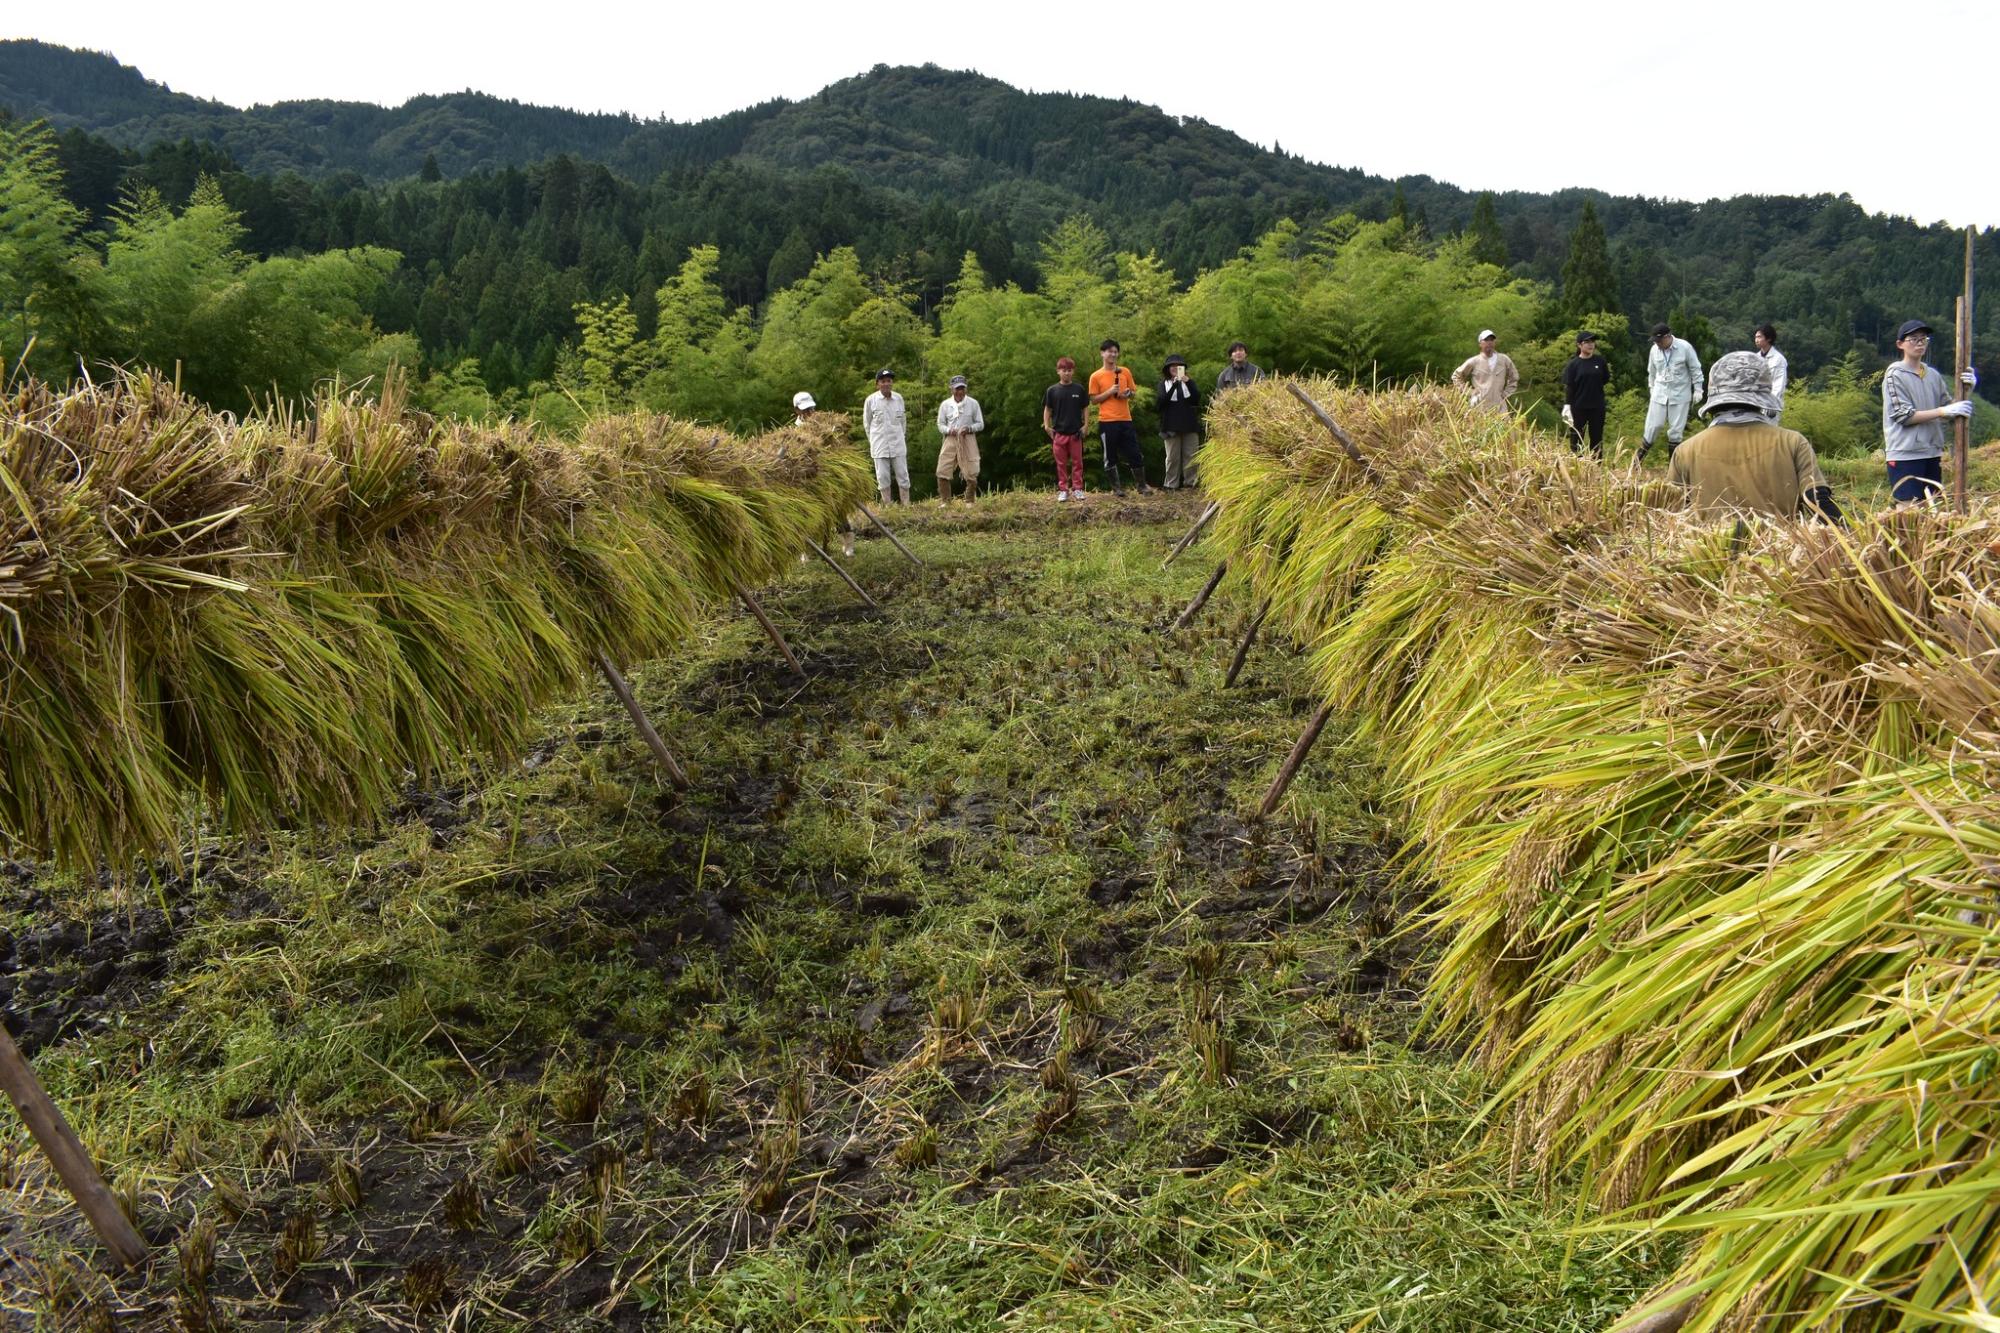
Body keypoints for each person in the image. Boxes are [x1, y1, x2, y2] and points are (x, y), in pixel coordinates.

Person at [1669, 351, 1838, 521]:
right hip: (1781, 546)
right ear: (1763, 397)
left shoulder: (1685, 451)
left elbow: (1670, 516)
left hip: (1706, 547)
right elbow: (1818, 501)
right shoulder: (1792, 442)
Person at [1881, 318, 1978, 503]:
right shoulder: (1894, 374)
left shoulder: (1932, 374)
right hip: (1905, 453)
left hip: (1932, 452)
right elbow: (1904, 416)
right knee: (1909, 511)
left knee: (1933, 508)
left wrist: (1968, 389)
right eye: (1914, 339)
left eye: (1924, 339)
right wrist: (1943, 411)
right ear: (1900, 344)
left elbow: (1951, 409)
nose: (1920, 343)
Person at [1089, 339, 1152, 495]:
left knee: (1134, 452)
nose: (1113, 354)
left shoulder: (1125, 371)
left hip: (1125, 419)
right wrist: (1110, 392)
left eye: (1115, 351)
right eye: (1110, 351)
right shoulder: (1096, 376)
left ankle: (1142, 485)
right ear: (1102, 353)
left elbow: (1133, 392)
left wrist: (1127, 394)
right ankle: (1117, 488)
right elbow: (1093, 400)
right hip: (1107, 421)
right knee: (1109, 455)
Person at [1640, 323, 1704, 461]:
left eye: (1659, 340)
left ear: (1668, 336)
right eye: (1655, 341)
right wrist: (1651, 387)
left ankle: (1672, 468)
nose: (1657, 344)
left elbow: (1695, 369)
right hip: (1659, 393)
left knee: (1676, 431)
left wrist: (1698, 388)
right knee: (1653, 426)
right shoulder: (1654, 350)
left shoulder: (1685, 347)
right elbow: (1651, 371)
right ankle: (1637, 462)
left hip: (1680, 394)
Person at [861, 369, 911, 506]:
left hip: (898, 443)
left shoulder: (899, 398)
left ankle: (906, 504)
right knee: (882, 477)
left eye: (889, 381)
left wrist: (901, 437)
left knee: (903, 475)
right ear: (877, 384)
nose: (886, 384)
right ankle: (888, 505)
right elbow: (867, 423)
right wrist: (873, 441)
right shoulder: (871, 400)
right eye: (883, 381)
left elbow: (903, 422)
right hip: (879, 444)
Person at [1042, 355, 1088, 501]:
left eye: (1069, 370)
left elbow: (1086, 407)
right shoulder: (1052, 390)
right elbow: (1047, 409)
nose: (1066, 373)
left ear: (1073, 372)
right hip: (1059, 433)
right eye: (1064, 370)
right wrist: (1047, 426)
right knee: (1061, 464)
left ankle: (1078, 489)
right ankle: (1063, 489)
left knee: (1077, 462)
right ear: (1058, 371)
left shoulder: (1079, 389)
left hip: (1075, 433)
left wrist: (1086, 425)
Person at [1559, 331, 1612, 456]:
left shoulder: (1600, 361)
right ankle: (1577, 466)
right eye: (1587, 342)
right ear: (1579, 345)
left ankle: (1596, 466)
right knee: (1577, 437)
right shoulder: (1573, 364)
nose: (1590, 345)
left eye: (1592, 342)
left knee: (1597, 437)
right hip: (1578, 407)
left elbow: (1605, 379)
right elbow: (1570, 387)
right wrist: (1567, 406)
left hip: (1597, 406)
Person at [935, 375, 985, 505]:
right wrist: (949, 430)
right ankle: (946, 501)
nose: (960, 391)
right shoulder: (945, 405)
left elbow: (980, 424)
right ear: (951, 389)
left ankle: (969, 501)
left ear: (966, 389)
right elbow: (940, 424)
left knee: (972, 470)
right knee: (942, 469)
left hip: (967, 438)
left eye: (962, 388)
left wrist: (968, 428)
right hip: (951, 438)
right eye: (957, 389)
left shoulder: (973, 403)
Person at [1158, 354, 1203, 489]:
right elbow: (1161, 403)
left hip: (1189, 424)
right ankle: (1171, 484)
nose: (1175, 368)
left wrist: (1187, 382)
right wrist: (1174, 385)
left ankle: (1191, 483)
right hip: (1170, 425)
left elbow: (1196, 399)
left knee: (1191, 456)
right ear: (1168, 369)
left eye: (1179, 366)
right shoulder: (1163, 384)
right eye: (1172, 366)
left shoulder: (1189, 382)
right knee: (1172, 457)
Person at [1450, 329, 1519, 413]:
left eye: (1492, 340)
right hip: (1479, 406)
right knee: (1479, 426)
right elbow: (1456, 376)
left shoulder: (1504, 359)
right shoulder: (1474, 361)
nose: (1489, 342)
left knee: (1502, 426)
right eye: (1486, 340)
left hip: (1499, 406)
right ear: (1480, 344)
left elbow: (1514, 377)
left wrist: (1506, 393)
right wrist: (1469, 392)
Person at [1753, 324, 1788, 416]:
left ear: (1769, 338)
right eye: (1756, 337)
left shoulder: (1778, 359)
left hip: (1771, 407)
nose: (1756, 340)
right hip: (1756, 404)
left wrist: (1770, 404)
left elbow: (1778, 385)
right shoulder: (1755, 357)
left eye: (1759, 337)